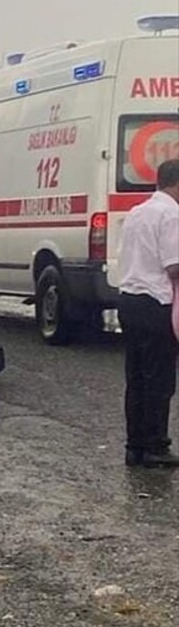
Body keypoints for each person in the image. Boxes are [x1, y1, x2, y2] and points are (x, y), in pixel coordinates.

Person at [117, 156, 179, 469]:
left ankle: (135, 446)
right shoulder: (171, 215)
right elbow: (174, 265)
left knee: (137, 377)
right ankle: (155, 446)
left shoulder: (136, 213)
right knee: (160, 379)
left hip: (129, 300)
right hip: (156, 302)